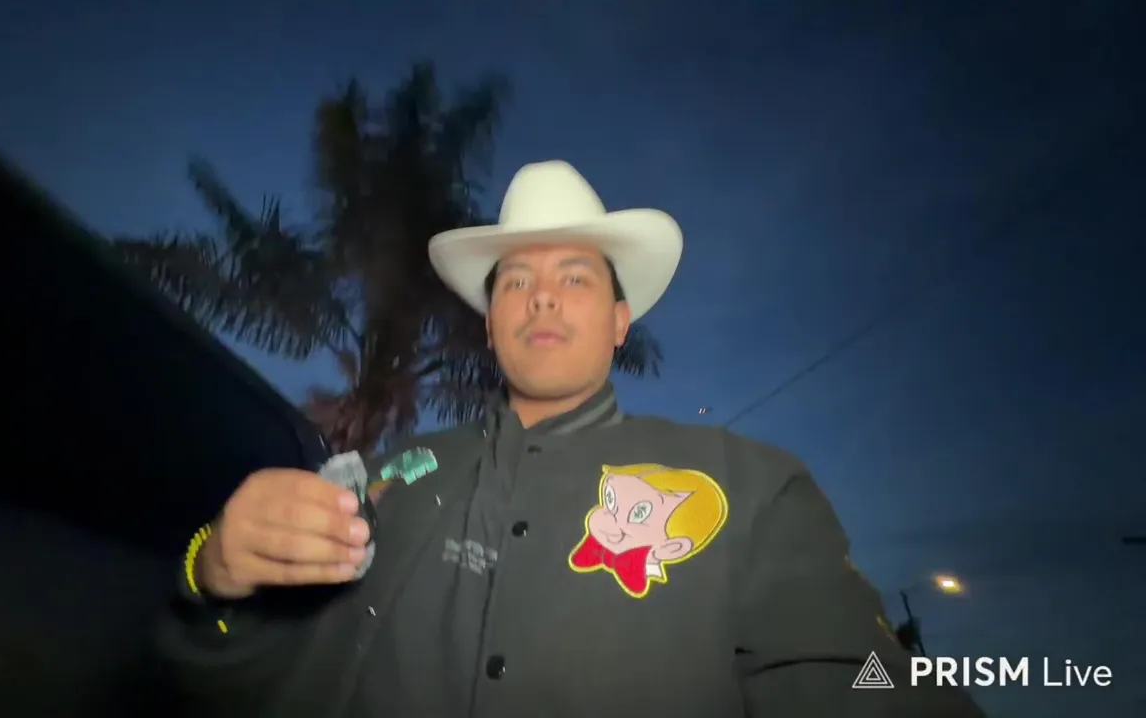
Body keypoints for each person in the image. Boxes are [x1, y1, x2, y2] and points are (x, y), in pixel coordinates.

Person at [158, 161, 984, 717]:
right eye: (516, 280)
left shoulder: (753, 487)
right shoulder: (385, 484)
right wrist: (213, 570)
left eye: (575, 277)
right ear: (490, 326)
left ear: (621, 322)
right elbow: (233, 681)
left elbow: (870, 683)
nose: (542, 297)